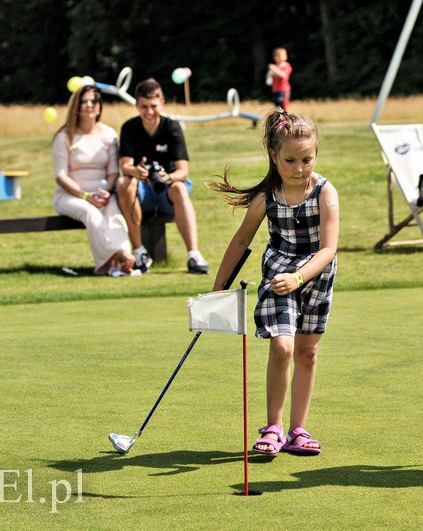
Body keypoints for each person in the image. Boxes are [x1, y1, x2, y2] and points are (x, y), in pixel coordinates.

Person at [208, 109, 339, 455]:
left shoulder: (326, 193)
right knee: (282, 346)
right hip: (279, 277)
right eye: (290, 160)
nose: (299, 168)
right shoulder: (266, 198)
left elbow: (328, 249)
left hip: (315, 277)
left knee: (307, 353)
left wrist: (300, 277)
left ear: (316, 154)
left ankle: (298, 430)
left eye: (306, 159)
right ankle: (273, 427)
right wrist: (218, 290)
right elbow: (240, 242)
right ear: (273, 156)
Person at [116, 78, 209, 274]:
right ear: (136, 106)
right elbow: (125, 166)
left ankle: (193, 254)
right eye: (144, 107)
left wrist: (167, 177)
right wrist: (137, 171)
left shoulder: (172, 127)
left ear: (162, 104)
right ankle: (139, 251)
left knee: (180, 188)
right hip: (142, 190)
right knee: (124, 183)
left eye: (153, 106)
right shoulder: (129, 128)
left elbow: (184, 171)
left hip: (168, 188)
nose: (149, 112)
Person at [52, 84, 136, 276]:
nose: (89, 105)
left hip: (102, 193)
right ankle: (120, 255)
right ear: (76, 106)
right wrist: (85, 195)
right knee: (92, 214)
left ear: (99, 106)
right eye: (84, 101)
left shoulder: (108, 134)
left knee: (115, 215)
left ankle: (121, 264)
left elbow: (113, 172)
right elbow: (60, 176)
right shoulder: (64, 136)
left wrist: (106, 192)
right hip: (70, 196)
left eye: (93, 101)